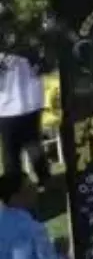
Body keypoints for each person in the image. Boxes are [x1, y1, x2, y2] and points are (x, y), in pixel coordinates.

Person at [0, 172, 67, 259]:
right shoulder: (33, 229)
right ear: (15, 197)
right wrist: (63, 252)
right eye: (29, 187)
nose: (36, 189)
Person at [0, 53, 51, 190]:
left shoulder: (28, 42)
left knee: (32, 148)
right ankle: (16, 189)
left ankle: (42, 182)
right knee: (12, 154)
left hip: (28, 105)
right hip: (8, 108)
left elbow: (45, 67)